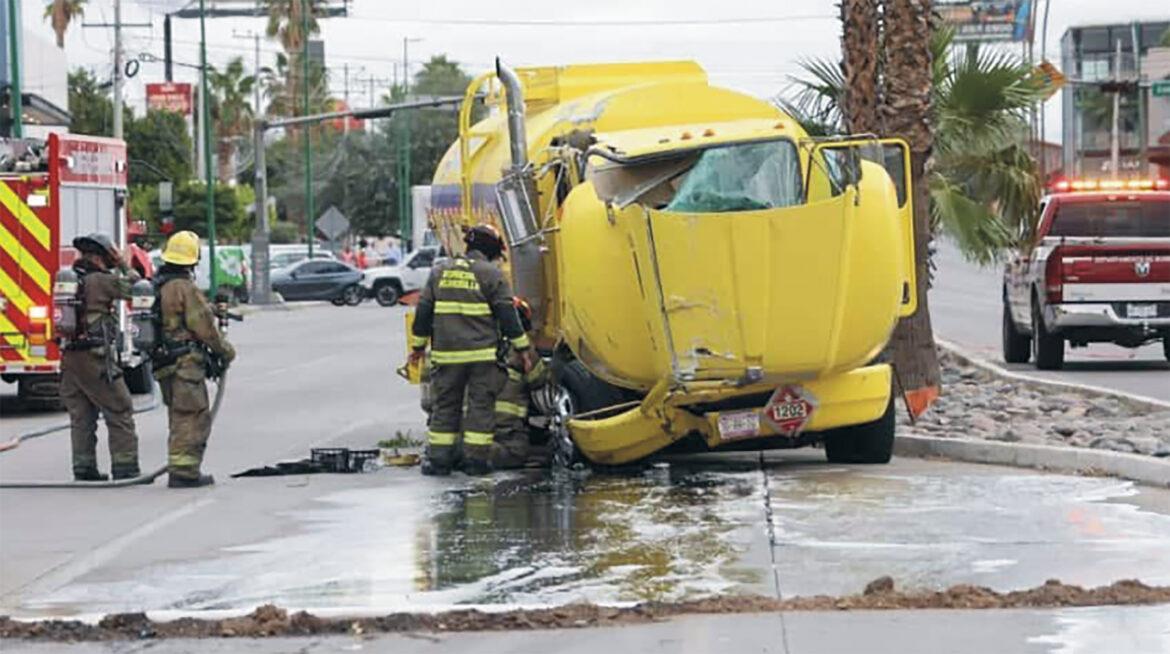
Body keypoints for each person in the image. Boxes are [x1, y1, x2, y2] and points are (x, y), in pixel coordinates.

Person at [409, 224, 532, 476]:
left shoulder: (439, 272)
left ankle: (439, 461)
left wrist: (418, 348)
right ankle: (476, 462)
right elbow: (508, 317)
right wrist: (524, 350)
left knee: (445, 406)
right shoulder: (492, 274)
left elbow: (423, 313)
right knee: (481, 408)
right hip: (482, 358)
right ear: (490, 251)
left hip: (447, 357)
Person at [153, 230, 236, 488]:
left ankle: (179, 465)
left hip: (163, 363)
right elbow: (204, 328)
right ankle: (184, 472)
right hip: (185, 363)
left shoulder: (159, 285)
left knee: (178, 416)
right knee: (192, 415)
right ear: (192, 260)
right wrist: (225, 350)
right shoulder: (184, 288)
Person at [59, 234, 142, 481]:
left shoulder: (69, 281)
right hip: (95, 358)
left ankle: (83, 468)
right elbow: (139, 290)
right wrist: (124, 264)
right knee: (120, 408)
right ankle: (125, 467)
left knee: (81, 415)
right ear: (100, 257)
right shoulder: (102, 281)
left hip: (70, 359)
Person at [491, 298, 549, 469]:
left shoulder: (475, 347)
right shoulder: (522, 351)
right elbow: (540, 380)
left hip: (472, 433)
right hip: (508, 439)